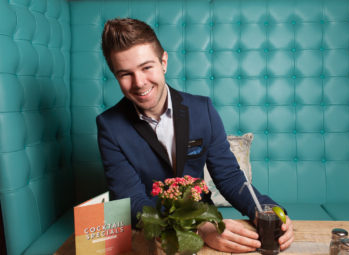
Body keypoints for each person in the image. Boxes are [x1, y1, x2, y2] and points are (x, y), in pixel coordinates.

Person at [97, 18, 294, 253]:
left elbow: (229, 177)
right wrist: (196, 229)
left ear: (164, 62)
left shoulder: (203, 110)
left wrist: (267, 211)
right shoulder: (109, 126)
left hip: (209, 227)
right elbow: (133, 202)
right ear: (115, 76)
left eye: (146, 67)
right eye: (125, 74)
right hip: (153, 235)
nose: (139, 83)